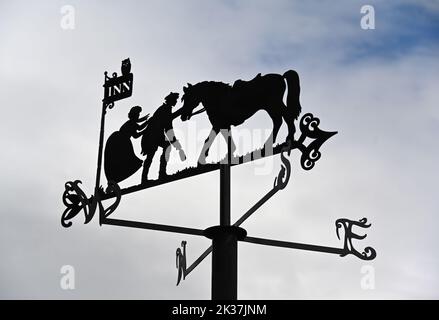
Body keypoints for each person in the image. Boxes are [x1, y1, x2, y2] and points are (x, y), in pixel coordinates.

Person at [141, 92, 186, 182]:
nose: (176, 102)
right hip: (152, 135)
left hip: (157, 135)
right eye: (175, 100)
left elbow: (169, 120)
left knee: (165, 148)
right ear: (171, 100)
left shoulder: (166, 109)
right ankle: (148, 177)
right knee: (151, 155)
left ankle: (160, 173)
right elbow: (169, 129)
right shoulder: (165, 109)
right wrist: (179, 149)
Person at [104, 106, 149, 184]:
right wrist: (147, 125)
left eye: (139, 114)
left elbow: (137, 126)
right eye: (137, 114)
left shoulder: (131, 122)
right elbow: (137, 132)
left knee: (125, 160)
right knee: (126, 159)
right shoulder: (131, 123)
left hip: (122, 141)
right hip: (121, 142)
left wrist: (145, 120)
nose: (138, 116)